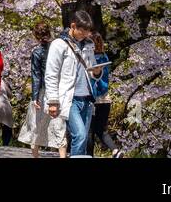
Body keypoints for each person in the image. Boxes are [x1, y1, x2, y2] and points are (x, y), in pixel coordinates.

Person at [44, 10, 98, 158]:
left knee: (83, 137)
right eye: (82, 30)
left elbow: (91, 70)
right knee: (79, 135)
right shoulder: (59, 44)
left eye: (88, 31)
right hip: (70, 97)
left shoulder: (88, 45)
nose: (86, 34)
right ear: (73, 26)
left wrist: (97, 72)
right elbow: (51, 74)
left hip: (86, 97)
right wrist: (53, 101)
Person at [17, 22, 53, 157]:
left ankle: (35, 155)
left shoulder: (37, 52)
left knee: (36, 125)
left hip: (43, 91)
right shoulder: (58, 48)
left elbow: (36, 75)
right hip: (59, 90)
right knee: (58, 124)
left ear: (36, 36)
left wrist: (35, 97)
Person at [88, 33, 114, 156]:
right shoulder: (105, 57)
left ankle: (89, 155)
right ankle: (115, 150)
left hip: (93, 99)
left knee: (90, 131)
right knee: (102, 130)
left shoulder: (89, 58)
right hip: (105, 98)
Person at [0, 79, 14, 146]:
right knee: (7, 126)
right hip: (5, 105)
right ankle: (6, 143)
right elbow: (10, 95)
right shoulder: (3, 81)